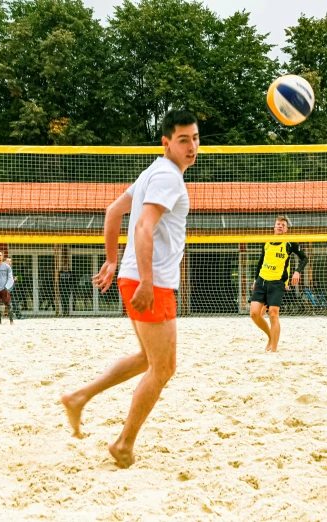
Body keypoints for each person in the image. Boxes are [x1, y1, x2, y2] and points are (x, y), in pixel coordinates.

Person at [61, 109, 198, 469]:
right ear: (166, 142)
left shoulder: (152, 171)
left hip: (133, 275)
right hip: (149, 281)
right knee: (164, 368)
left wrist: (111, 260)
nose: (192, 146)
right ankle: (123, 444)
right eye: (183, 140)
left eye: (196, 138)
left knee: (146, 359)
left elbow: (112, 212)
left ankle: (78, 397)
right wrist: (149, 280)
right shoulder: (168, 177)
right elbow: (142, 227)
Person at [249, 216, 308, 352]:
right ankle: (271, 336)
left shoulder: (290, 243)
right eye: (278, 224)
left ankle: (274, 350)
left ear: (286, 229)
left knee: (273, 313)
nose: (280, 226)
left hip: (277, 282)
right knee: (254, 314)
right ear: (274, 227)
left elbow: (304, 258)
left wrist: (297, 272)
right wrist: (254, 279)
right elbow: (260, 261)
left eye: (283, 225)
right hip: (262, 280)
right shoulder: (267, 241)